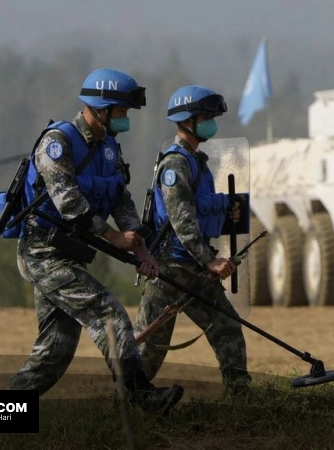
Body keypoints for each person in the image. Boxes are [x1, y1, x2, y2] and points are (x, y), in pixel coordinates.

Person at [5, 68, 184, 415]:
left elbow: (121, 199)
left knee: (54, 352)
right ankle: (141, 397)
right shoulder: (57, 143)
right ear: (101, 108)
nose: (126, 119)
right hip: (43, 252)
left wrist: (140, 248)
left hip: (69, 253)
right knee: (107, 311)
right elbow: (68, 201)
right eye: (122, 112)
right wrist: (115, 237)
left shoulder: (108, 148)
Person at [133, 85, 252, 395]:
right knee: (151, 344)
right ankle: (128, 403)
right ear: (187, 120)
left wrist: (229, 212)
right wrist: (210, 261)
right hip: (170, 268)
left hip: (193, 266)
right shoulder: (175, 164)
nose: (211, 122)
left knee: (227, 328)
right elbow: (181, 218)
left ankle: (242, 397)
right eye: (205, 117)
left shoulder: (196, 161)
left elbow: (199, 211)